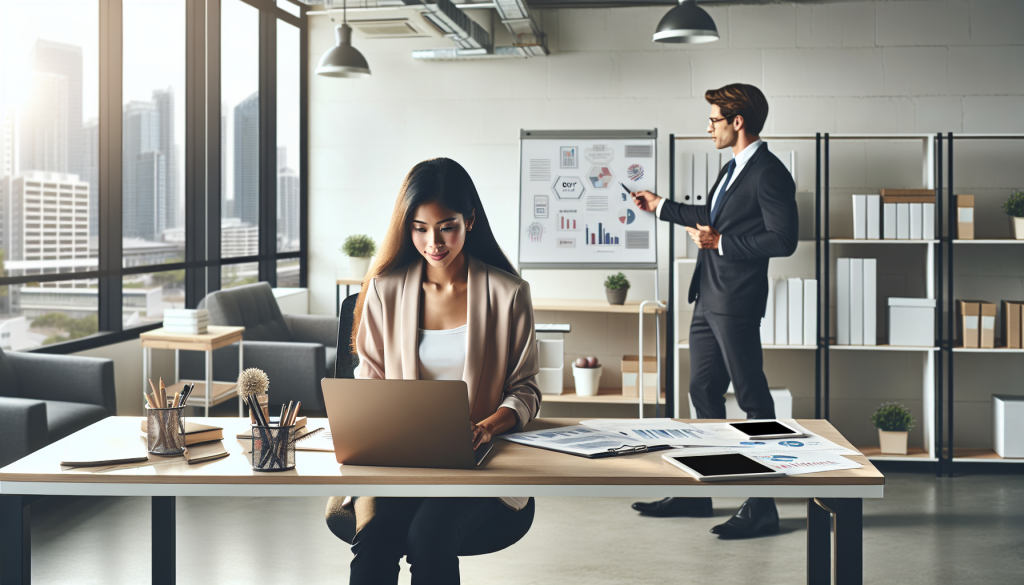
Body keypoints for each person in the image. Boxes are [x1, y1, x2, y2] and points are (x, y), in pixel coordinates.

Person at [342, 157, 542, 584]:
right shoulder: (384, 289)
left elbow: (525, 390)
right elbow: (370, 381)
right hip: (400, 460)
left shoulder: (509, 294)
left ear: (470, 220)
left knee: (429, 538)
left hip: (477, 460)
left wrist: (487, 427)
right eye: (419, 228)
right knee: (375, 537)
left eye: (446, 227)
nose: (433, 242)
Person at [629, 83, 799, 538]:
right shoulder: (732, 168)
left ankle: (762, 505)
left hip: (737, 301)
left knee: (753, 399)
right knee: (702, 389)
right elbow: (712, 215)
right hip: (708, 297)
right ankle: (698, 492)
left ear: (737, 122)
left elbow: (784, 239)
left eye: (714, 120)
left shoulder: (769, 173)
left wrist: (722, 243)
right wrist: (660, 206)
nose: (709, 128)